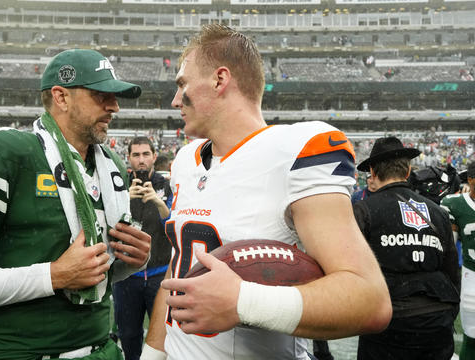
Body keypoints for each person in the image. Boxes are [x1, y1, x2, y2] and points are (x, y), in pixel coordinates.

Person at [141, 24, 391, 360]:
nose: (174, 100)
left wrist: (243, 302)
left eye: (183, 84)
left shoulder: (296, 150)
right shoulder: (186, 160)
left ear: (219, 79)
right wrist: (153, 352)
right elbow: (179, 268)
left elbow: (369, 300)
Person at [0, 48, 152, 360]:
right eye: (101, 95)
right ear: (61, 97)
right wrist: (54, 275)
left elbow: (91, 274)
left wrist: (131, 261)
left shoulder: (111, 164)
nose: (114, 106)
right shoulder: (4, 152)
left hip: (103, 350)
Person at [353, 136, 459, 360]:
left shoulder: (363, 210)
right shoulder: (437, 212)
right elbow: (451, 270)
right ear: (408, 171)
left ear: (372, 172)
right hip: (437, 320)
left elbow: (351, 271)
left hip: (389, 321)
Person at [112, 136, 172, 360]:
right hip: (126, 276)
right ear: (128, 158)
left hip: (160, 276)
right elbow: (108, 224)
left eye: (146, 154)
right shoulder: (118, 183)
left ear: (154, 156)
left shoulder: (166, 184)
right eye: (136, 155)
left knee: (164, 338)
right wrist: (124, 200)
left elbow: (174, 226)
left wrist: (158, 202)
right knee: (128, 335)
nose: (141, 160)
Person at [441, 161, 475, 360]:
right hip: (472, 278)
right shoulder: (455, 204)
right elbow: (448, 251)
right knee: (471, 338)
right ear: (470, 180)